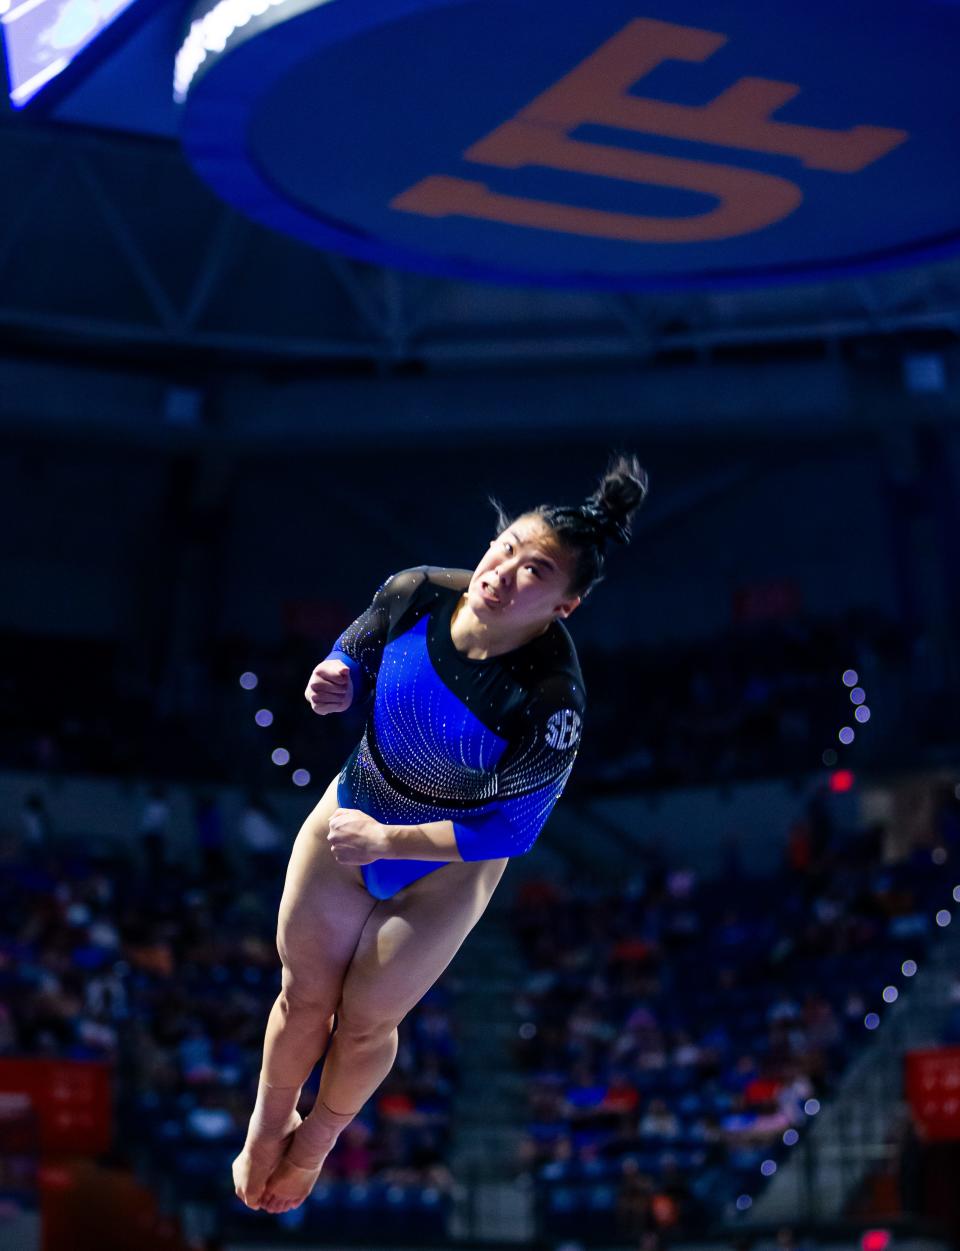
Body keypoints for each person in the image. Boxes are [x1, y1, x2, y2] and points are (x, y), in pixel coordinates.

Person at [231, 453, 648, 1213]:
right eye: (507, 547)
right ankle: (265, 1126)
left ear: (566, 605)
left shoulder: (552, 698)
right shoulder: (416, 589)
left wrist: (390, 843)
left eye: (537, 571)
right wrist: (335, 676)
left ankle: (317, 1142)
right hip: (355, 806)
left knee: (362, 1026)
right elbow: (355, 651)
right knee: (303, 997)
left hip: (443, 867)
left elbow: (510, 830)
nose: (504, 570)